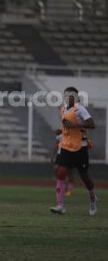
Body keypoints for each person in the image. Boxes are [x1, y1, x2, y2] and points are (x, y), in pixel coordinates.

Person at [50, 87, 97, 216]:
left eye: (70, 95)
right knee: (60, 172)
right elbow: (66, 126)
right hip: (66, 145)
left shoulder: (80, 109)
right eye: (66, 95)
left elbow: (92, 124)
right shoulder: (63, 109)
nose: (67, 98)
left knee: (84, 177)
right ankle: (60, 206)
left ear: (75, 97)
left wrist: (74, 126)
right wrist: (61, 130)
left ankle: (93, 199)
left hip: (79, 147)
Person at [50, 128, 75, 197]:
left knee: (69, 172)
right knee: (56, 169)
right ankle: (63, 187)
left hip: (69, 153)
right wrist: (53, 154)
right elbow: (57, 144)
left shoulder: (72, 132)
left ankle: (70, 190)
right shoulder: (60, 132)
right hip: (60, 154)